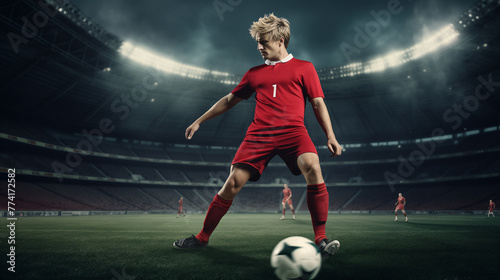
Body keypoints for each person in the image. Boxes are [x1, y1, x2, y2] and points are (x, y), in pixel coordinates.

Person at [173, 13, 342, 260]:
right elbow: (230, 100)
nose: (259, 47)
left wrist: (331, 135)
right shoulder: (254, 73)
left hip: (293, 133)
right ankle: (201, 238)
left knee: (313, 166)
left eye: (264, 42)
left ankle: (321, 239)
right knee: (232, 183)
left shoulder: (305, 68)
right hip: (259, 135)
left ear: (281, 39)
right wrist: (199, 120)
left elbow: (317, 103)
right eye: (258, 42)